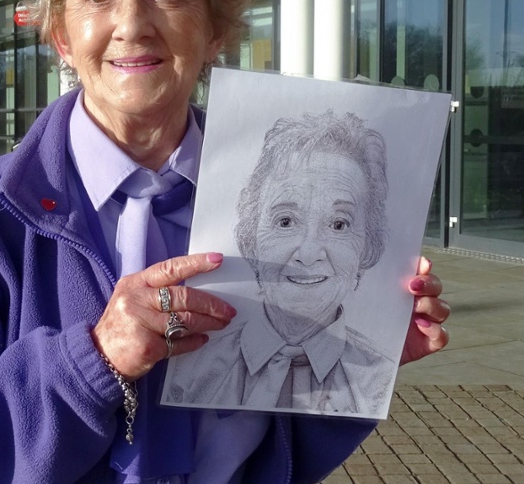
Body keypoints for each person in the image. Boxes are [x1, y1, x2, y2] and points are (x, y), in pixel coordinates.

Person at [0, 0, 449, 483]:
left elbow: (279, 453)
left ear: (214, 27)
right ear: (62, 35)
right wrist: (95, 359)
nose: (132, 23)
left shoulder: (267, 198)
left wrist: (361, 351)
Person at [165, 111, 397, 416]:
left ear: (368, 244)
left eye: (339, 224)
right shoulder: (188, 374)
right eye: (285, 221)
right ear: (251, 235)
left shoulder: (379, 380)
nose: (309, 252)